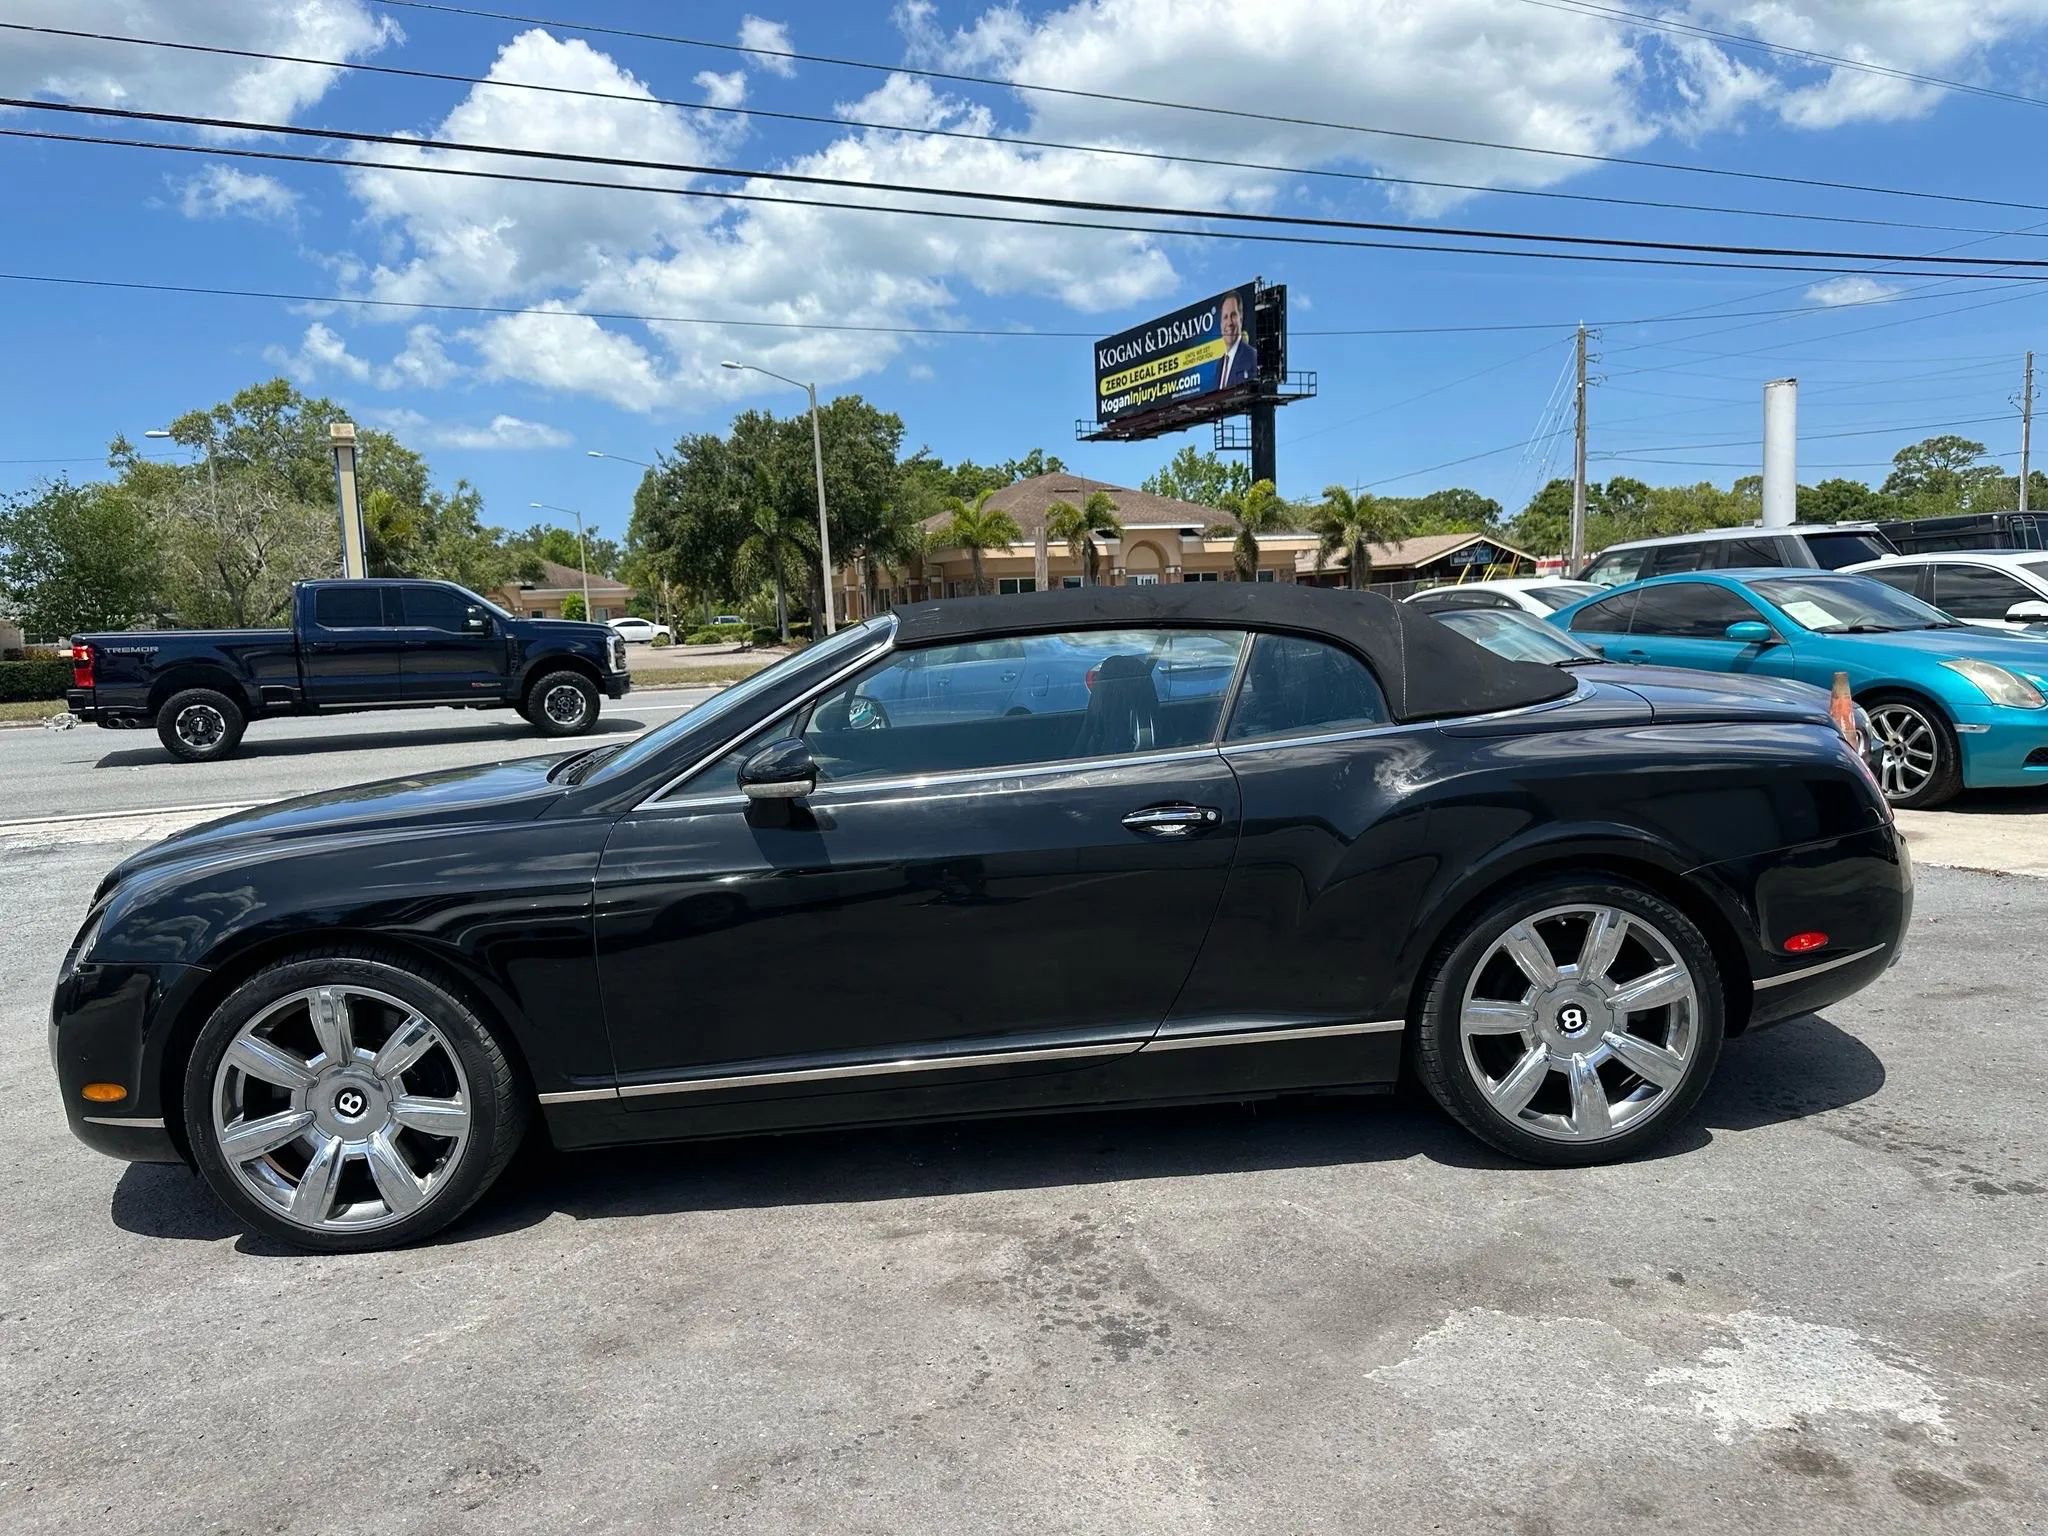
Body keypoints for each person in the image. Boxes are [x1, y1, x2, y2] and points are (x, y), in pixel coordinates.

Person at [1217, 291, 1257, 387]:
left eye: (1233, 315)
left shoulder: (1252, 356)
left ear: (1241, 319)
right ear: (1221, 324)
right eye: (1225, 317)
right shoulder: (1219, 365)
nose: (1229, 323)